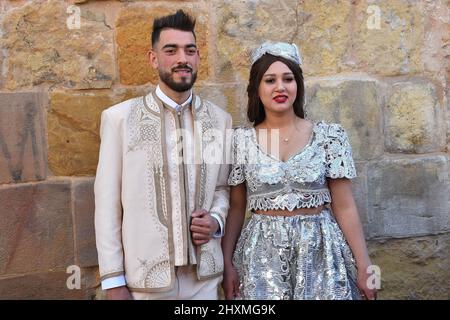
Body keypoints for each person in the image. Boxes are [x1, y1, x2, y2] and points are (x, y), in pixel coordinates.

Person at [222, 41, 377, 300]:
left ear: (298, 85)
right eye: (270, 80)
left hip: (321, 252)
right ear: (257, 88)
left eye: (288, 79)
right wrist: (227, 264)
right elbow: (236, 208)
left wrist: (365, 266)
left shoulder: (330, 137)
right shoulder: (240, 141)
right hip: (262, 256)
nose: (280, 87)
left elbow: (345, 205)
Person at [95, 10, 232, 300]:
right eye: (171, 50)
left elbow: (222, 188)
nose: (182, 58)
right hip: (144, 281)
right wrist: (113, 281)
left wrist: (216, 221)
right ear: (154, 58)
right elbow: (107, 205)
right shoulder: (120, 119)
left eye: (190, 50)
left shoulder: (219, 121)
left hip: (204, 279)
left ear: (197, 58)